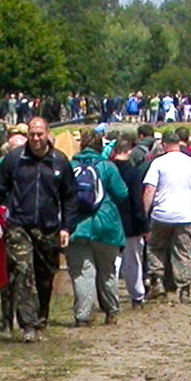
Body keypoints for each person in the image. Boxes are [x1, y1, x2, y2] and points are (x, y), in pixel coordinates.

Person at [0, 115, 77, 340]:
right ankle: (28, 325)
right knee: (23, 271)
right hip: (19, 226)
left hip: (48, 229)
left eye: (40, 134)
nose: (36, 139)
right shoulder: (14, 160)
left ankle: (40, 319)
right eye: (32, 134)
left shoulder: (59, 161)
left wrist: (66, 227)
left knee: (45, 276)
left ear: (48, 134)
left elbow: (69, 197)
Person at [67, 129, 130, 327]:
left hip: (78, 225)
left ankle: (83, 315)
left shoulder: (71, 166)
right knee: (107, 271)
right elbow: (122, 193)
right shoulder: (108, 167)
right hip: (106, 225)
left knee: (83, 273)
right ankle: (111, 311)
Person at [142, 128, 191, 303]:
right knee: (183, 252)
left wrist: (145, 212)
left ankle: (157, 281)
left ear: (164, 144)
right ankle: (184, 288)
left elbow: (149, 190)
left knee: (156, 248)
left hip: (161, 214)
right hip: (184, 215)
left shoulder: (158, 163)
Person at [109, 134, 149, 307]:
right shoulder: (134, 172)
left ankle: (111, 296)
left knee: (112, 261)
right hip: (130, 222)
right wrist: (144, 224)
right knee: (132, 261)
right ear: (129, 151)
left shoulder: (108, 169)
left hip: (110, 220)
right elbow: (137, 200)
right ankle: (137, 295)